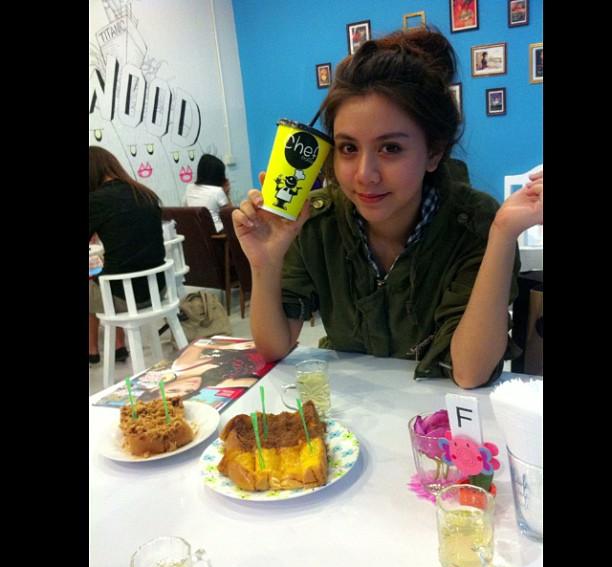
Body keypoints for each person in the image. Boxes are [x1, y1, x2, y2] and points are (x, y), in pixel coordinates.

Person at [232, 27, 543, 389]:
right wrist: (266, 263)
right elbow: (274, 347)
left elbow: (469, 372)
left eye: (390, 148)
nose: (365, 175)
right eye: (348, 148)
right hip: (349, 409)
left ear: (433, 152)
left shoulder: (473, 223)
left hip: (437, 411)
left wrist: (503, 234)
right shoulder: (316, 221)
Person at [89, 146, 166, 364]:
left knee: (93, 280)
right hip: (158, 289)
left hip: (126, 297)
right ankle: (118, 346)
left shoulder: (96, 200)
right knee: (110, 271)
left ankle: (92, 349)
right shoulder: (145, 193)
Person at [182, 153, 232, 232]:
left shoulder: (189, 188)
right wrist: (226, 193)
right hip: (217, 233)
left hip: (196, 231)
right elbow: (230, 214)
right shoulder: (217, 191)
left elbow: (185, 207)